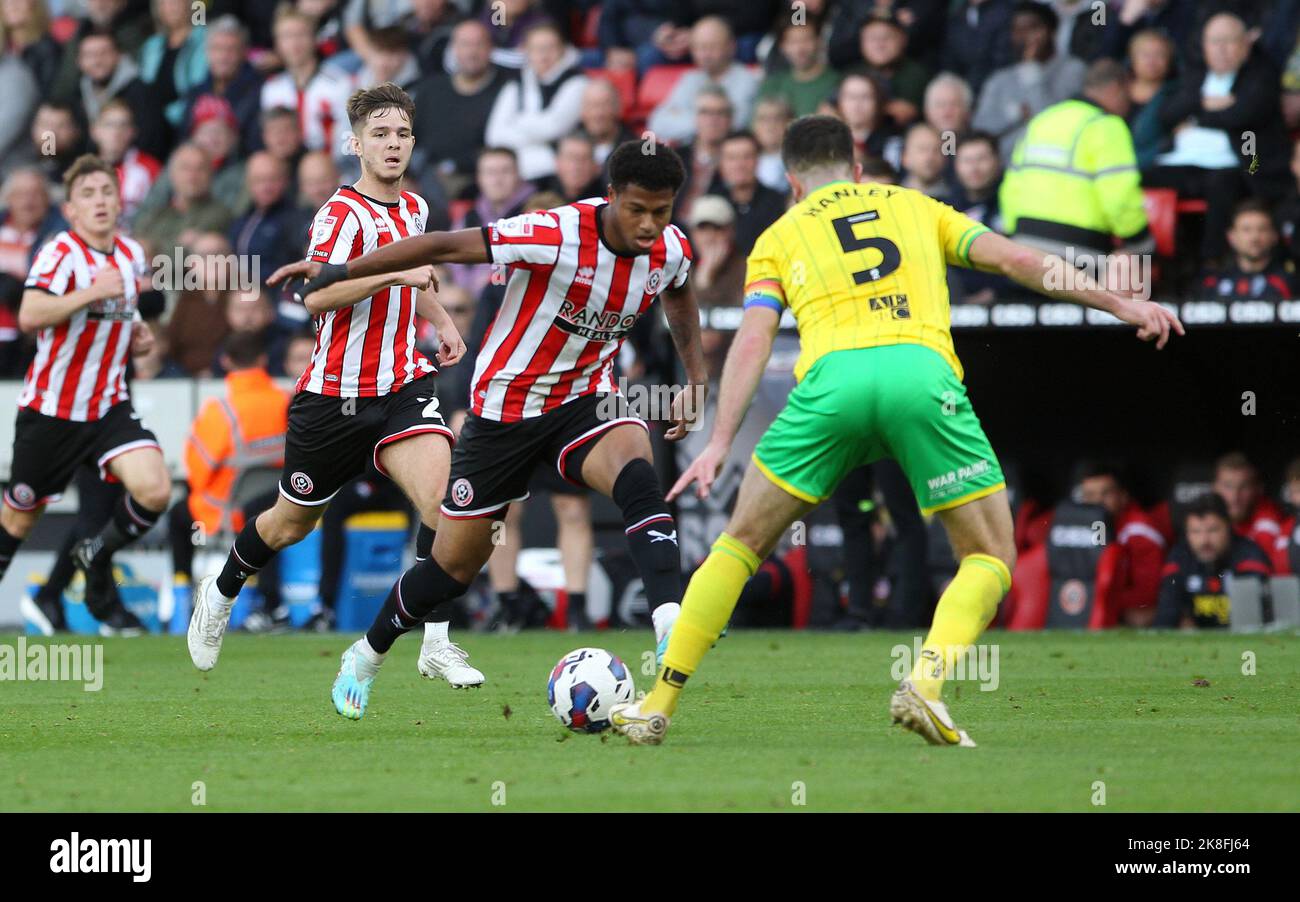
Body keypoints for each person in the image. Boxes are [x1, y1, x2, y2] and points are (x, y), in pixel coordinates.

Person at [608, 114, 1183, 746]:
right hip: (919, 377)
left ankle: (657, 703)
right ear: (856, 170)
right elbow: (1018, 259)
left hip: (832, 388)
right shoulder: (919, 206)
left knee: (738, 547)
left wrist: (718, 441)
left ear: (793, 183)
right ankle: (926, 685)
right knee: (989, 555)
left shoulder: (778, 234)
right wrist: (1121, 303)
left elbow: (753, 337)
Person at [271, 140, 706, 721]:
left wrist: (695, 380)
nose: (650, 224)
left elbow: (679, 295)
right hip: (505, 411)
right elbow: (443, 245)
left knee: (636, 469)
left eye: (662, 210)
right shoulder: (554, 233)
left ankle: (668, 623)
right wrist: (338, 271)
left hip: (584, 398)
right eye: (637, 210)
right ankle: (367, 654)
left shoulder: (671, 249)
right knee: (452, 568)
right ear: (611, 198)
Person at [185, 83, 480, 692]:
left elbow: (418, 279)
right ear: (356, 144)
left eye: (400, 133)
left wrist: (442, 320)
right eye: (379, 134)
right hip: (333, 398)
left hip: (401, 384)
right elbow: (316, 294)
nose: (392, 144)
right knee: (291, 523)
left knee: (446, 505)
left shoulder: (416, 209)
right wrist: (393, 272)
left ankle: (437, 641)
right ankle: (220, 593)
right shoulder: (340, 215)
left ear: (412, 141)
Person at [0, 154, 174, 635]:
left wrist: (138, 332)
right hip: (51, 410)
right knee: (18, 519)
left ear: (120, 202)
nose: (99, 202)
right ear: (72, 211)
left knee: (156, 489)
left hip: (108, 407)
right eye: (87, 195)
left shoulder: (131, 255)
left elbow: (123, 312)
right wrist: (89, 293)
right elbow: (31, 314)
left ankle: (94, 553)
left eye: (106, 192)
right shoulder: (60, 253)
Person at [169, 331, 290, 628]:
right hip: (282, 507)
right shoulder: (286, 401)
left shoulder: (220, 411)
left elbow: (197, 470)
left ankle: (181, 597)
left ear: (225, 361)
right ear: (262, 359)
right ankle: (271, 606)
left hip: (225, 512)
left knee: (178, 515)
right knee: (266, 521)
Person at [999, 59, 1153, 270]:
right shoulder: (1107, 126)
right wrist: (1141, 242)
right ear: (1116, 88)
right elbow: (1119, 196)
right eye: (1128, 95)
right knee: (1134, 274)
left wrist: (1013, 235)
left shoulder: (1042, 120)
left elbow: (1012, 186)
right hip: (1080, 253)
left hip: (1024, 249)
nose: (1129, 104)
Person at [972, 2, 1086, 161]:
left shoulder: (1073, 70)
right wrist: (1016, 114)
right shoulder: (1000, 79)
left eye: (1033, 28)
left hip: (1055, 163)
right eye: (1018, 30)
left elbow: (1052, 123)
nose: (1026, 36)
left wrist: (1032, 71)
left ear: (1052, 31)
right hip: (1005, 167)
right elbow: (981, 129)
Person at [411, 20, 507, 199]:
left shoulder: (507, 89)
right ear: (453, 49)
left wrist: (453, 166)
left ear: (491, 48)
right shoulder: (430, 89)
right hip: (422, 173)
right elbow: (407, 135)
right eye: (464, 44)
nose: (471, 52)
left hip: (475, 181)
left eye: (479, 44)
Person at [483, 21, 588, 182]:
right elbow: (494, 136)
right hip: (517, 174)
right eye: (537, 49)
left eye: (550, 48)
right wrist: (537, 138)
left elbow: (553, 128)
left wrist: (517, 121)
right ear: (527, 52)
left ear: (562, 49)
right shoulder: (516, 84)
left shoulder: (577, 82)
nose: (544, 56)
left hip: (557, 175)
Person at [1154, 493, 1271, 629]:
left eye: (1213, 530)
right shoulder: (1179, 558)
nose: (1204, 541)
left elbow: (1256, 621)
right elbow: (1165, 620)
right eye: (1196, 532)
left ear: (1228, 527)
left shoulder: (1249, 557)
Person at [1075, 461, 1166, 626]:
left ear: (1123, 496)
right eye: (1090, 495)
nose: (1097, 502)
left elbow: (1148, 594)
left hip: (1133, 612)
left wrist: (1102, 598)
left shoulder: (1139, 532)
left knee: (1138, 616)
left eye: (1105, 494)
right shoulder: (1079, 526)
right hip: (1091, 605)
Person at [647, 16, 760, 143]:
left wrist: (684, 117)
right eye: (699, 48)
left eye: (711, 47)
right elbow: (658, 122)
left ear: (731, 46)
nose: (705, 54)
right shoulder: (690, 78)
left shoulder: (747, 79)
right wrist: (707, 123)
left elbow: (736, 124)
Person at [1197, 200, 1296, 302]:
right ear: (1231, 237)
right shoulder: (1213, 283)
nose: (1254, 238)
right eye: (1246, 230)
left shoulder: (1290, 282)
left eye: (1262, 229)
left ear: (1274, 236)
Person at [709, 130, 787, 256]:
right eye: (732, 158)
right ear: (721, 163)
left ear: (758, 160)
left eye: (747, 157)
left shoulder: (778, 203)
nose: (740, 165)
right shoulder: (710, 203)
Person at [1212, 452, 1289, 572]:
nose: (1234, 497)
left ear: (1258, 489)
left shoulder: (1267, 518)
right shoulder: (1206, 516)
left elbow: (1259, 563)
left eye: (1243, 487)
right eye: (1228, 486)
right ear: (1215, 487)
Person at [758, 20, 840, 119]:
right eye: (792, 42)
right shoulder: (772, 86)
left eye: (806, 40)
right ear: (782, 46)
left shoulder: (838, 83)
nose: (800, 49)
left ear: (819, 41)